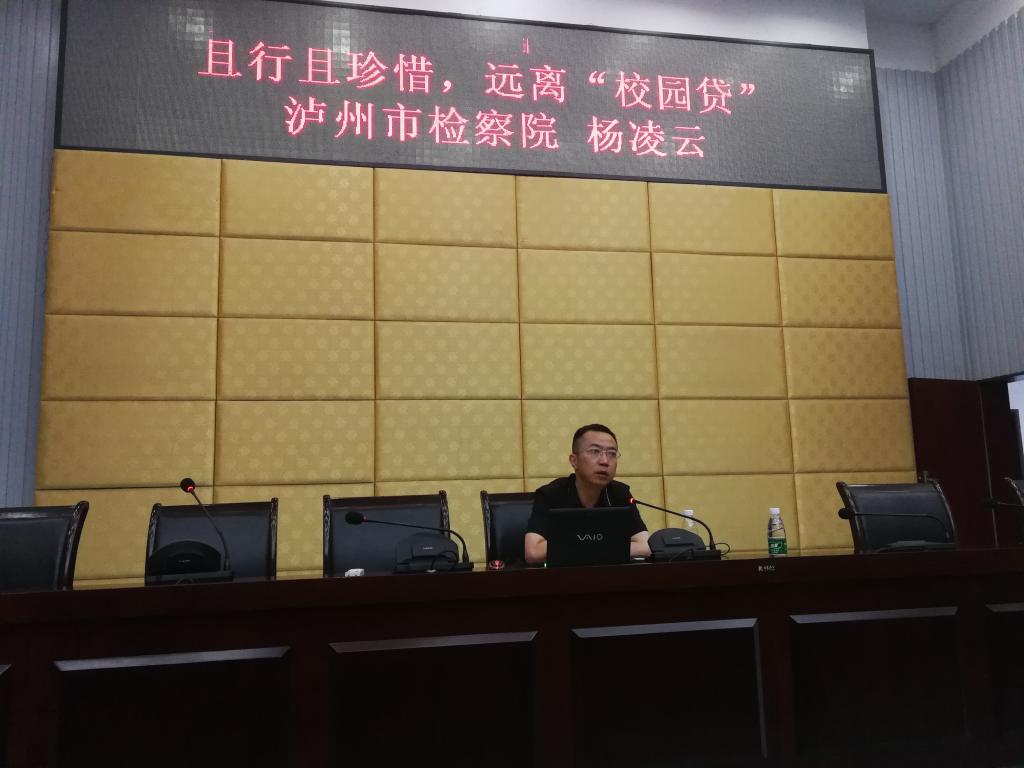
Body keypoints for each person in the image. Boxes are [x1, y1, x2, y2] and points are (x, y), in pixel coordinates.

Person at [524, 423, 651, 564]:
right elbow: (533, 552)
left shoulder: (620, 493)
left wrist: (577, 548)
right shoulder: (551, 494)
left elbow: (646, 546)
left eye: (612, 453)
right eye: (595, 451)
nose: (605, 461)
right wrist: (608, 548)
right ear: (574, 461)